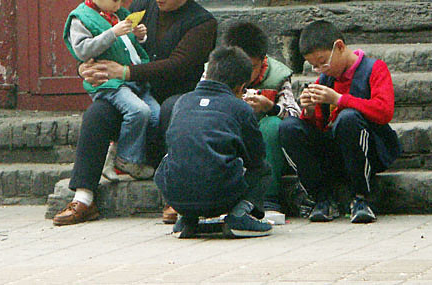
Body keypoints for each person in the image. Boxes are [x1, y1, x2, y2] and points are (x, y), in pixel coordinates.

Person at [53, 0, 217, 226]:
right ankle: (83, 196)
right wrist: (86, 68)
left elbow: (178, 65)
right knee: (98, 114)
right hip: (133, 92)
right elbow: (111, 46)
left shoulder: (202, 22)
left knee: (169, 109)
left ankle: (175, 196)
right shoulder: (140, 8)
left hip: (176, 96)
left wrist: (126, 72)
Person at [279, 20, 401, 224]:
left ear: (340, 47)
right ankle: (321, 198)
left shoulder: (374, 69)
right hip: (334, 151)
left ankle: (361, 197)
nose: (320, 69)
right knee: (289, 127)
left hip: (367, 149)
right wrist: (308, 109)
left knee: (349, 118)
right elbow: (319, 123)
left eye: (323, 62)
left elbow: (384, 111)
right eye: (314, 66)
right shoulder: (325, 79)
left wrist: (339, 100)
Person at [155, 46, 272, 239]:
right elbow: (256, 158)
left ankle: (187, 219)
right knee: (263, 170)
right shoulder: (240, 108)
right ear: (240, 88)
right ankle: (239, 216)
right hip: (220, 197)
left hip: (175, 197)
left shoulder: (182, 102)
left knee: (176, 159)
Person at [63, 0, 158, 180]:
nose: (120, 5)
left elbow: (130, 45)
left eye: (123, 0)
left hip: (133, 79)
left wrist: (139, 35)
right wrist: (113, 33)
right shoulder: (80, 18)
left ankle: (119, 156)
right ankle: (126, 161)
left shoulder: (117, 13)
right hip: (107, 82)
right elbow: (83, 50)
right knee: (139, 112)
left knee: (155, 115)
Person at [222, 20, 301, 212]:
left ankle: (268, 196)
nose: (245, 74)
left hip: (262, 138)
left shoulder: (277, 75)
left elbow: (295, 114)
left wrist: (271, 108)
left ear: (262, 60)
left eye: (251, 67)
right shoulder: (214, 71)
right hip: (229, 134)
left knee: (274, 125)